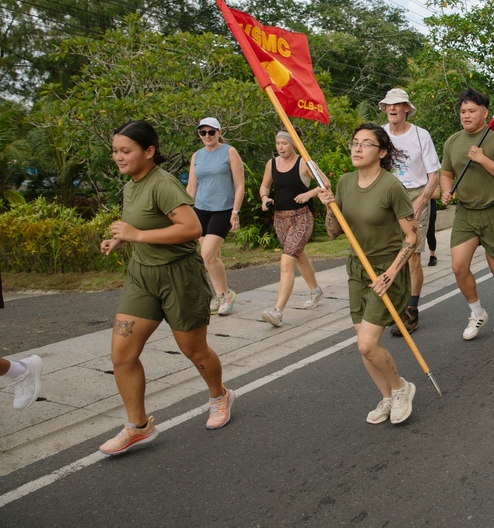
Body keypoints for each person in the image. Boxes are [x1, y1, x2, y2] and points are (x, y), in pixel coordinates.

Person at [100, 120, 234, 456]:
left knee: (194, 351)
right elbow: (139, 224)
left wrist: (137, 236)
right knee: (122, 354)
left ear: (148, 151)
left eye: (125, 151)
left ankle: (220, 395)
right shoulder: (132, 183)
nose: (118, 157)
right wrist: (119, 239)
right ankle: (138, 425)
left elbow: (191, 227)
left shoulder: (162, 183)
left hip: (179, 278)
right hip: (142, 277)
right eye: (115, 151)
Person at [317, 123, 418, 425]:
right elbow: (333, 233)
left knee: (366, 343)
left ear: (382, 152)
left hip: (386, 271)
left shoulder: (391, 187)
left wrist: (390, 273)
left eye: (366, 144)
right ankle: (386, 396)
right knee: (364, 342)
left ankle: (401, 387)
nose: (357, 149)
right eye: (354, 143)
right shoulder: (345, 183)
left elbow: (412, 237)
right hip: (357, 270)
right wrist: (328, 207)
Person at [439, 88, 494, 340]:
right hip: (466, 213)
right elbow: (446, 173)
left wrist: (483, 159)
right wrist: (446, 190)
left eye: (472, 110)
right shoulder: (452, 141)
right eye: (463, 111)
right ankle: (477, 312)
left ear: (485, 112)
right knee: (458, 267)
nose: (466, 115)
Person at [379, 89, 440, 336]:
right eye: (388, 105)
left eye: (397, 105)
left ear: (406, 108)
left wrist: (421, 201)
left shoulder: (420, 135)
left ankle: (411, 310)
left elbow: (434, 175)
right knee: (389, 254)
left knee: (411, 254)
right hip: (386, 195)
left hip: (414, 195)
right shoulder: (379, 134)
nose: (392, 109)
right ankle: (393, 304)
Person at [258, 130, 325, 327]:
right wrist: (264, 198)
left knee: (287, 261)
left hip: (300, 219)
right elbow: (264, 186)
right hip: (280, 219)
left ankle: (278, 311)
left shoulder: (305, 163)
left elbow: (325, 184)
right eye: (277, 143)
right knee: (299, 256)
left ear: (293, 144)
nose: (280, 147)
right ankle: (316, 291)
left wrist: (309, 194)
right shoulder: (272, 164)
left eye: (284, 143)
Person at [186, 117, 244, 316]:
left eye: (211, 132)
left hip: (223, 209)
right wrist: (184, 210)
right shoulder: (197, 156)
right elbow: (192, 186)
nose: (207, 136)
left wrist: (235, 212)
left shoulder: (229, 152)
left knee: (207, 254)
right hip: (201, 209)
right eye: (203, 132)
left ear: (220, 132)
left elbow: (239, 185)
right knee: (212, 257)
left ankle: (226, 294)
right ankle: (219, 295)